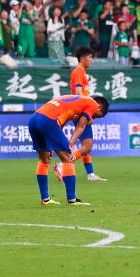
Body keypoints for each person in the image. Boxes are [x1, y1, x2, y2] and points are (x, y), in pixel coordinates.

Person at [28, 93, 109, 205]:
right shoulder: (93, 104)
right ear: (100, 107)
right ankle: (72, 200)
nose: (92, 119)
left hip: (34, 119)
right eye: (96, 116)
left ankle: (45, 199)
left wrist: (53, 141)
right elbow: (81, 126)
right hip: (48, 121)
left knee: (44, 160)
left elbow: (59, 121)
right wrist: (70, 143)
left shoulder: (75, 100)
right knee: (68, 159)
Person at [54, 46, 106, 183]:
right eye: (90, 57)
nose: (92, 60)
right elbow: (78, 94)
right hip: (81, 111)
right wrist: (86, 114)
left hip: (81, 111)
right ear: (82, 59)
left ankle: (90, 174)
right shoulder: (78, 72)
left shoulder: (80, 71)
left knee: (85, 146)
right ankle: (63, 164)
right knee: (87, 146)